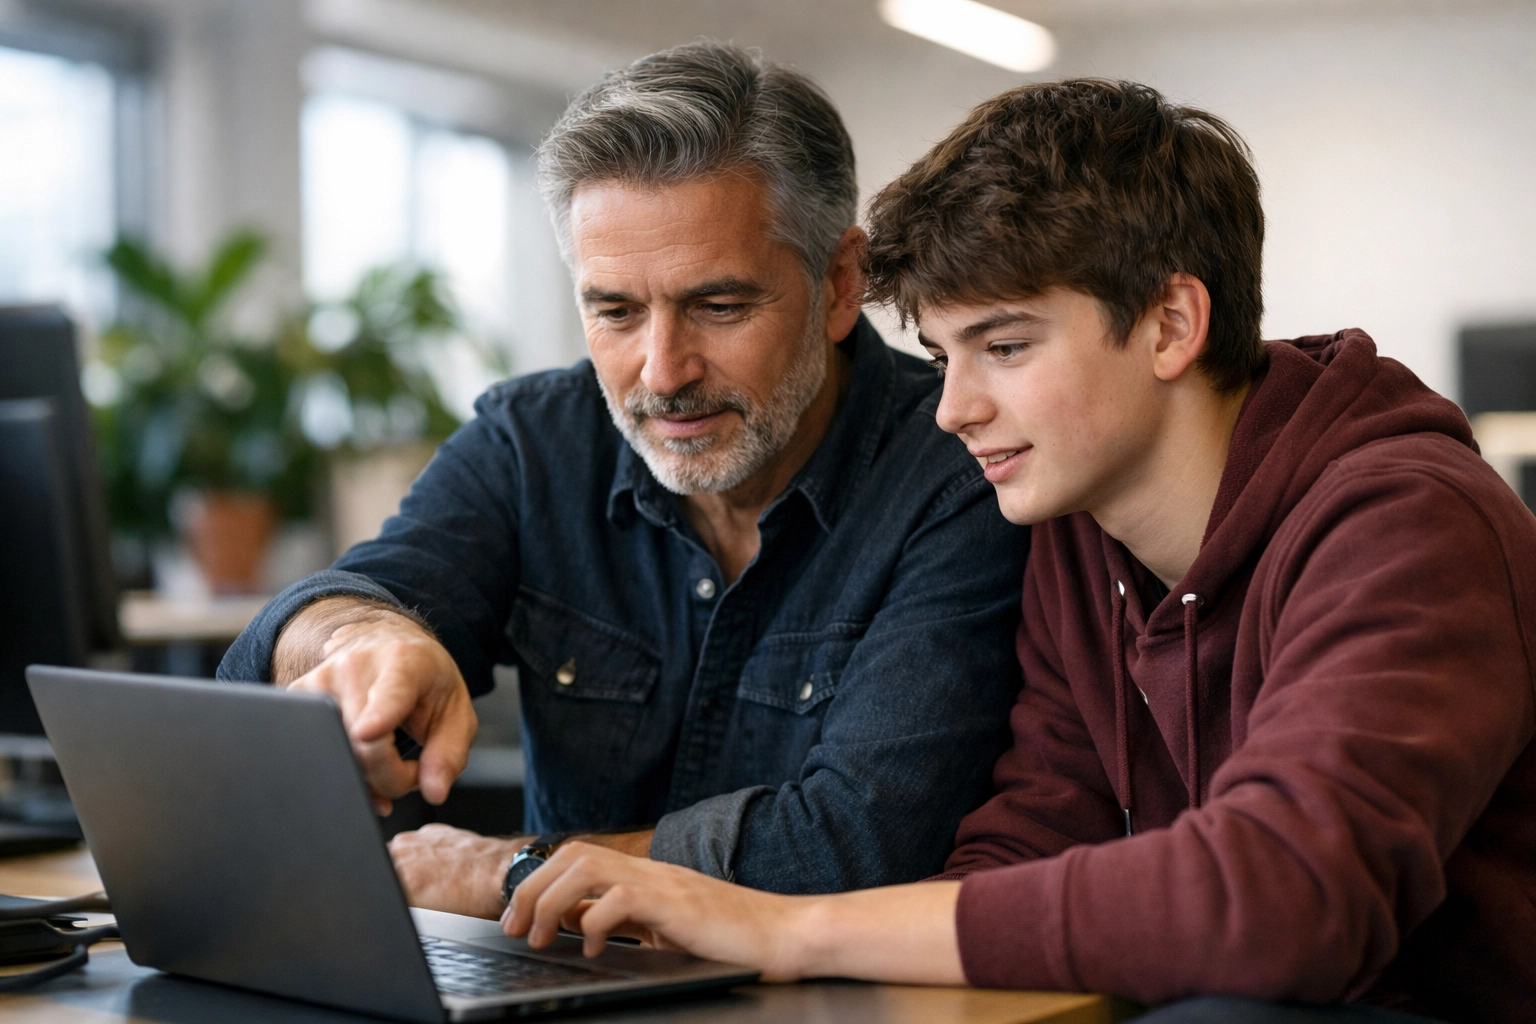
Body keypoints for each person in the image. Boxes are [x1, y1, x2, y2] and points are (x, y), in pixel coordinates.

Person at [499, 79, 1536, 1023]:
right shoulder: (1078, 537)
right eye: (942, 357)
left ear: (1172, 322)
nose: (952, 410)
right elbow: (1025, 846)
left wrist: (784, 927)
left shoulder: (1407, 524)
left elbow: (1289, 894)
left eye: (1005, 347)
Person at [216, 41, 1027, 917]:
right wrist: (359, 643)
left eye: (719, 307)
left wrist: (509, 872)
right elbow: (290, 636)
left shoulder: (962, 471)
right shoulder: (535, 441)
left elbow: (855, 844)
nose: (663, 370)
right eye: (615, 310)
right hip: (554, 980)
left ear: (838, 283)